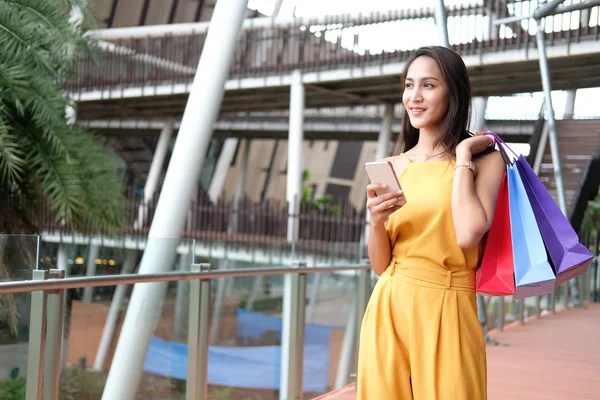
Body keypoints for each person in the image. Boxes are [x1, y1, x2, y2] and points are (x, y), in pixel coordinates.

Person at [357, 46, 505, 399]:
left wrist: (464, 155)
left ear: (453, 93)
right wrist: (376, 223)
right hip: (390, 305)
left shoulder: (485, 161)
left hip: (449, 306)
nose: (414, 97)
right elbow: (381, 266)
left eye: (428, 85)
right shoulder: (392, 165)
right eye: (409, 85)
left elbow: (469, 233)